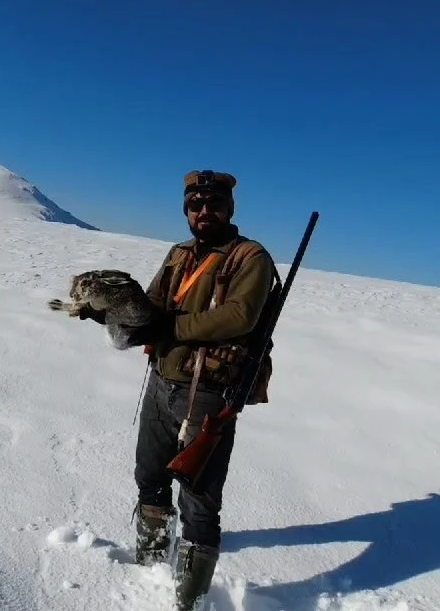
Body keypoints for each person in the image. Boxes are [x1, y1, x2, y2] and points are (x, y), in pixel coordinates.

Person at [81, 169, 276, 611]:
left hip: (207, 390)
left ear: (229, 208)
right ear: (186, 209)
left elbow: (239, 317)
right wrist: (110, 314)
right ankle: (150, 563)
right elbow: (152, 305)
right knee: (149, 476)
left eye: (214, 204)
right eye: (195, 204)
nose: (204, 211)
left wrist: (171, 326)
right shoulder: (179, 253)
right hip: (161, 379)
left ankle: (190, 599)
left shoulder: (251, 258)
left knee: (200, 499)